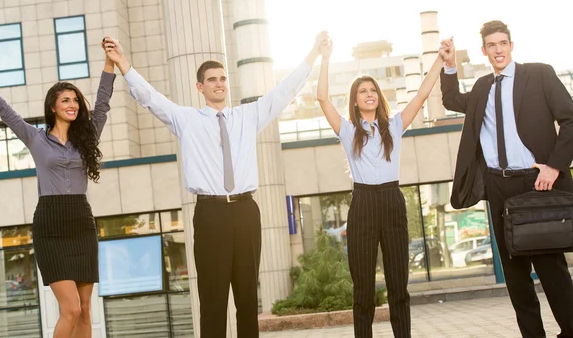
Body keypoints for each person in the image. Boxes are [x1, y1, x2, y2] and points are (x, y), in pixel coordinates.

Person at [103, 33, 329, 337]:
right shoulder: (186, 120)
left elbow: (285, 91)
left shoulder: (248, 116)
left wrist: (314, 53)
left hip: (247, 212)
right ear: (201, 87)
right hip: (211, 215)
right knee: (213, 303)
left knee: (248, 300)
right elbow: (150, 98)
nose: (219, 83)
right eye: (212, 79)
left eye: (223, 78)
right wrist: (123, 64)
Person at [0, 40, 116, 338]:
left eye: (75, 100)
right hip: (51, 224)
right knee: (71, 309)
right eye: (66, 100)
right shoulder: (35, 138)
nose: (72, 105)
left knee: (87, 309)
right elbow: (3, 108)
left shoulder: (86, 137)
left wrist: (109, 63)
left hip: (81, 222)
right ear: (53, 107)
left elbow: (102, 105)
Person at [440, 20, 573, 338]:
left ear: (511, 45)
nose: (498, 49)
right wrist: (449, 66)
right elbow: (451, 100)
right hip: (499, 186)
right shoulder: (483, 87)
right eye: (491, 45)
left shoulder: (539, 74)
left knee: (550, 267)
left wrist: (554, 167)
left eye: (503, 43)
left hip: (536, 183)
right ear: (484, 51)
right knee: (515, 276)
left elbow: (570, 120)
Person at [316, 36, 452, 338]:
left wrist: (440, 60)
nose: (369, 94)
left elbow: (421, 94)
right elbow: (323, 98)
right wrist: (325, 57)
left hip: (392, 200)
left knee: (398, 285)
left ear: (379, 96)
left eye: (372, 89)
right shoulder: (348, 130)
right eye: (362, 91)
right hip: (363, 203)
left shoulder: (394, 125)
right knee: (363, 289)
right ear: (354, 100)